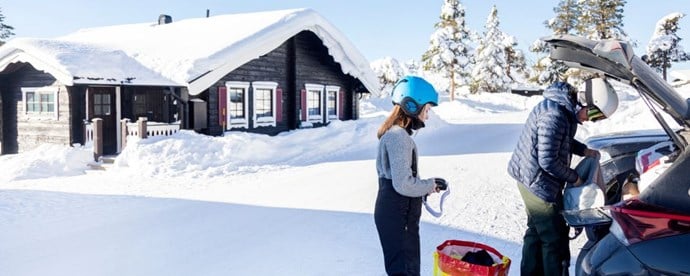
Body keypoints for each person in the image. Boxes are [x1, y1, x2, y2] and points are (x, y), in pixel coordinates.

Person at [507, 77, 619, 275]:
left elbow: (562, 139)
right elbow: (548, 160)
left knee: (536, 231)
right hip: (536, 181)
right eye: (593, 113)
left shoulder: (563, 111)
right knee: (554, 236)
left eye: (597, 118)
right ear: (584, 101)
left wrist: (584, 151)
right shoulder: (554, 115)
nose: (590, 119)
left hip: (534, 177)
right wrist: (575, 178)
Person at [374, 76, 448, 276]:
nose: (428, 115)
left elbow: (402, 180)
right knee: (405, 271)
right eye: (427, 109)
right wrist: (428, 184)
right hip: (398, 215)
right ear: (412, 106)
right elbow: (403, 185)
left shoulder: (397, 135)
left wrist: (427, 187)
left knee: (404, 269)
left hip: (397, 213)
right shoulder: (398, 137)